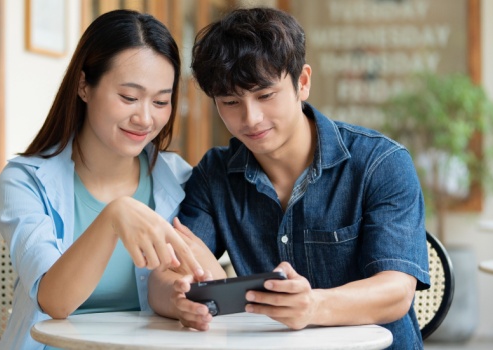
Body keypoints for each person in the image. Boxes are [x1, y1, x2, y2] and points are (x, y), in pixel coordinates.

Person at [150, 7, 430, 349]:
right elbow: (165, 276)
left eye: (265, 95)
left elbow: (396, 291)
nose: (251, 118)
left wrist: (313, 306)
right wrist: (177, 300)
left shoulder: (380, 163)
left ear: (303, 82)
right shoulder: (215, 174)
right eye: (231, 101)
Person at [0, 10, 211, 349]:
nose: (145, 118)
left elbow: (182, 284)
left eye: (160, 101)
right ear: (84, 86)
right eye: (129, 97)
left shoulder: (180, 179)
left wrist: (183, 299)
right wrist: (114, 215)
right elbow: (55, 301)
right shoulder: (24, 181)